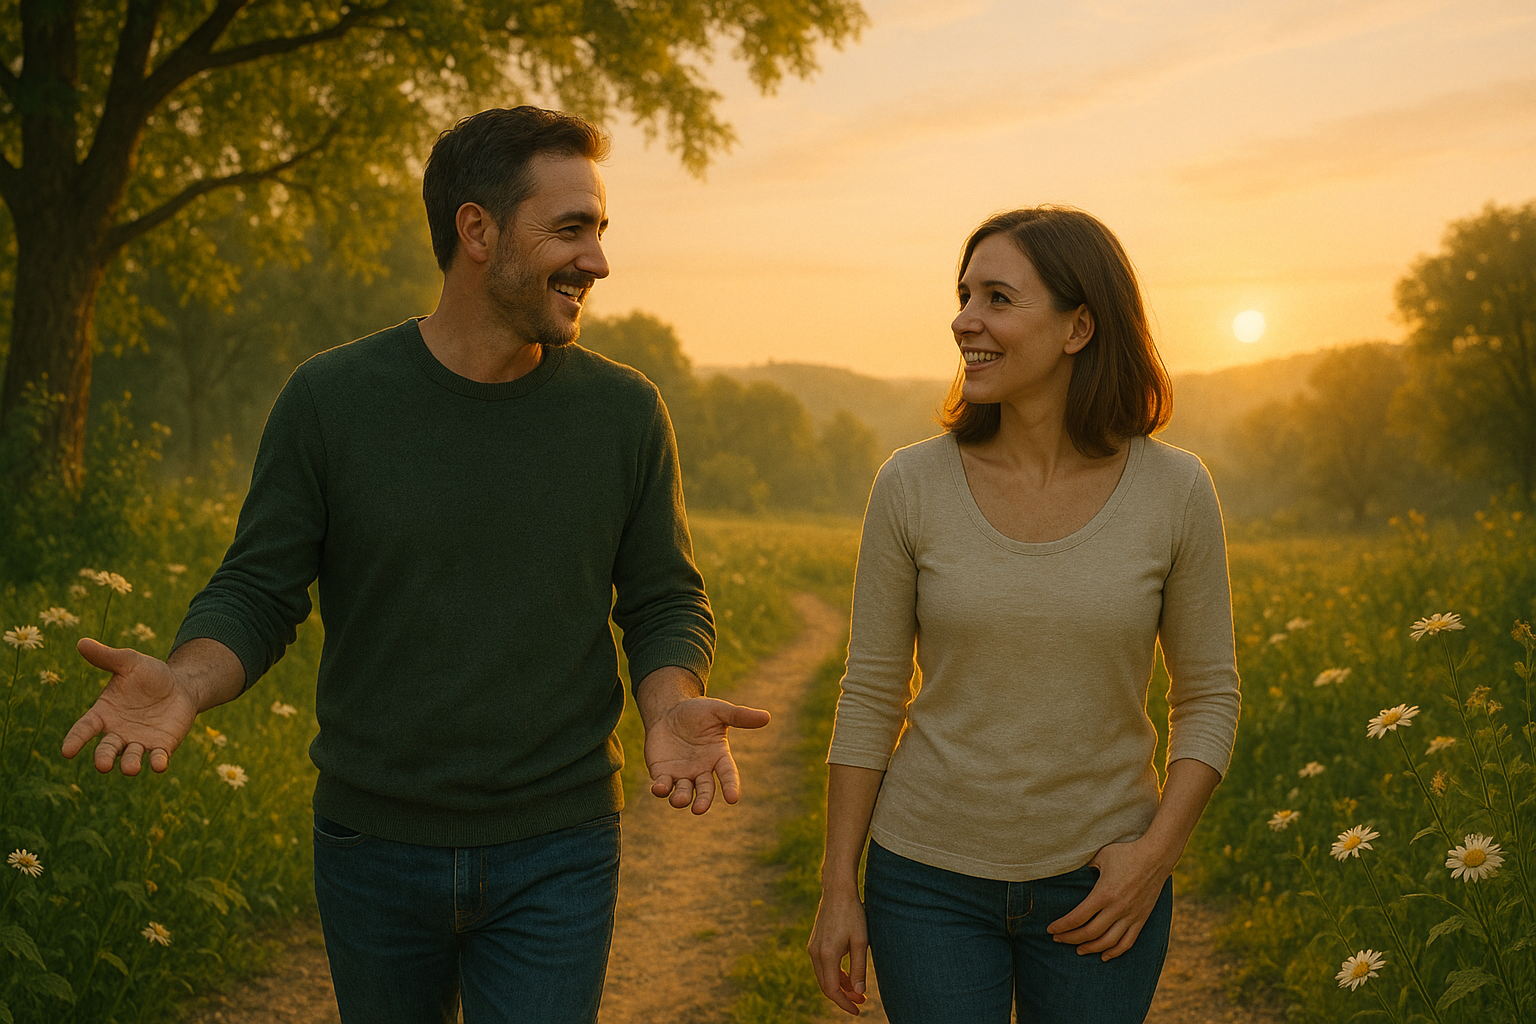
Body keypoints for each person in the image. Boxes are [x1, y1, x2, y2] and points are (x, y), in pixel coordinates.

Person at [61, 106, 771, 1024]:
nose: (597, 260)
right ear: (475, 230)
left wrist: (670, 704)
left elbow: (666, 597)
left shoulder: (625, 413)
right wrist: (187, 684)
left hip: (559, 841)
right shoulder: (332, 399)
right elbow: (259, 590)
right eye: (569, 230)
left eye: (599, 231)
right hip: (371, 845)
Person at [808, 207, 1241, 1023]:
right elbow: (869, 694)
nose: (964, 320)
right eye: (964, 294)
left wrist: (1154, 858)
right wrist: (838, 888)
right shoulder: (910, 485)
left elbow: (1209, 696)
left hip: (1102, 884)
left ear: (1080, 327)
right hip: (925, 880)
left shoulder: (1176, 492)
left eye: (998, 298)